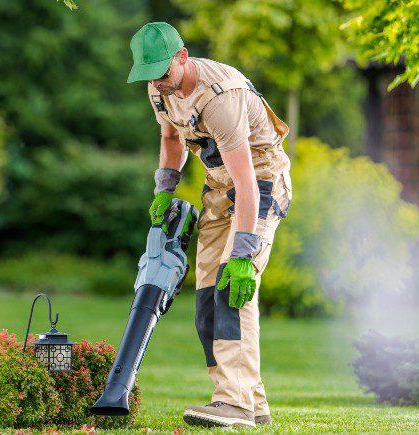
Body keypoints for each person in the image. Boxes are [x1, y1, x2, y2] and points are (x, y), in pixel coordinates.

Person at [127, 22, 293, 428]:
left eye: (164, 73)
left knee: (231, 288)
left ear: (182, 57)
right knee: (205, 300)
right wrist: (164, 189)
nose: (159, 84)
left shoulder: (221, 96)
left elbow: (248, 183)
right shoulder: (159, 86)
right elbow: (171, 140)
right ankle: (253, 402)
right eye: (150, 76)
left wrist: (243, 253)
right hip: (218, 186)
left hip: (259, 182)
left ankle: (233, 402)